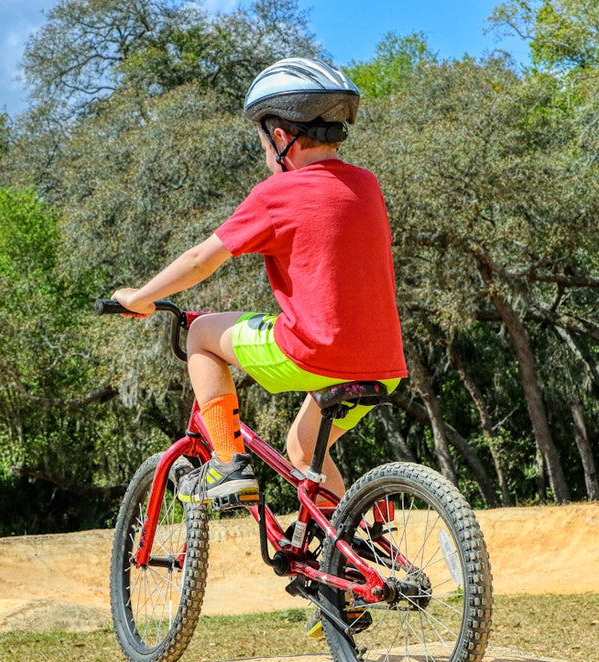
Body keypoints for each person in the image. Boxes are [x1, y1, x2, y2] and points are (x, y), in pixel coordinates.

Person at [111, 57, 407, 508]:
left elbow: (198, 261)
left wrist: (140, 297)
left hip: (315, 352)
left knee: (201, 334)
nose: (266, 154)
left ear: (282, 137)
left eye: (263, 143)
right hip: (384, 365)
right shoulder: (366, 184)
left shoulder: (277, 194)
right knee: (305, 448)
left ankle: (229, 464)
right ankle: (352, 553)